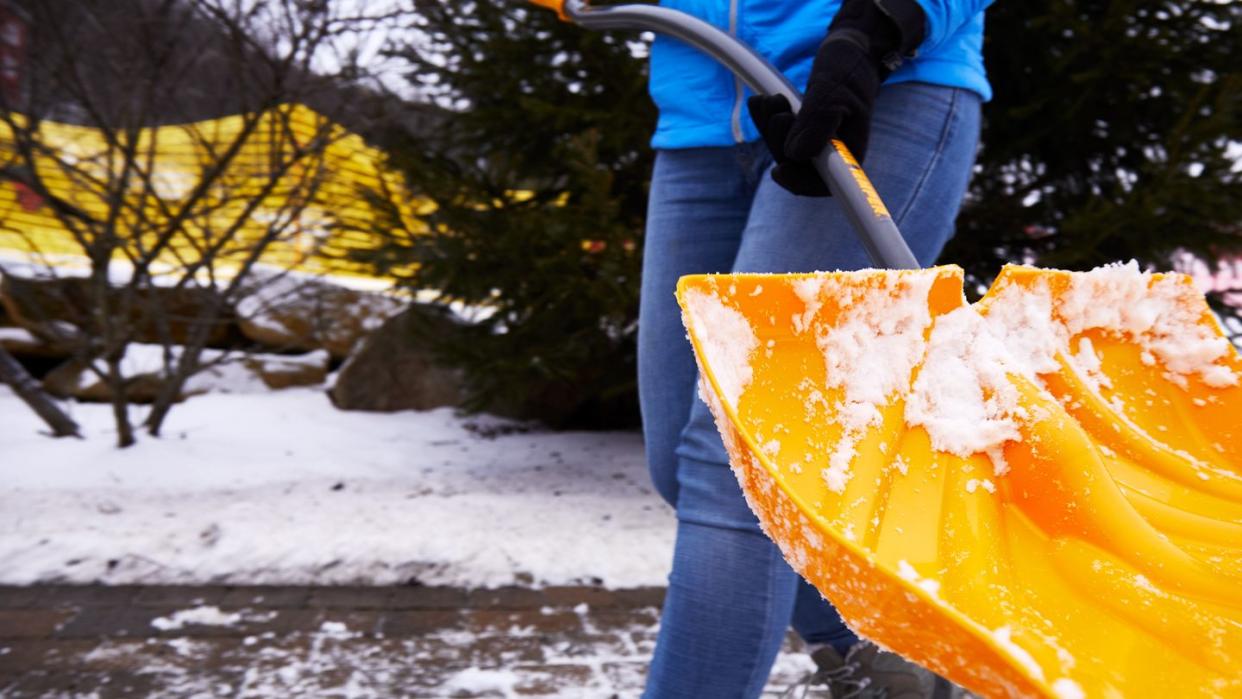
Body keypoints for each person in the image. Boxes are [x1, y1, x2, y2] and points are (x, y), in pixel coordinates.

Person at [637, 0, 993, 696]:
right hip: (703, 110)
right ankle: (876, 654)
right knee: (680, 463)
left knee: (740, 451)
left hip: (880, 85)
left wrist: (880, 23)